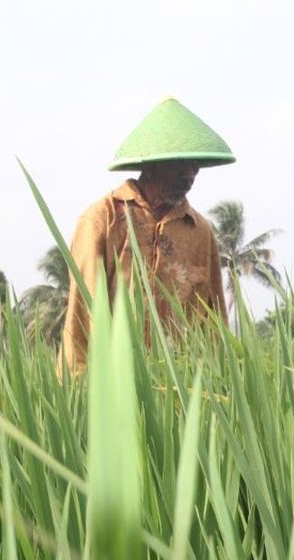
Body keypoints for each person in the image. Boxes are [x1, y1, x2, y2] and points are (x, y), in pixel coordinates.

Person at [57, 97, 232, 376]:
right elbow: (82, 308)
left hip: (178, 381)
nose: (189, 174)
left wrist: (219, 378)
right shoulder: (102, 219)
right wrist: (81, 382)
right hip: (114, 378)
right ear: (152, 164)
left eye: (195, 164)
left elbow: (213, 316)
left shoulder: (199, 231)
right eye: (180, 164)